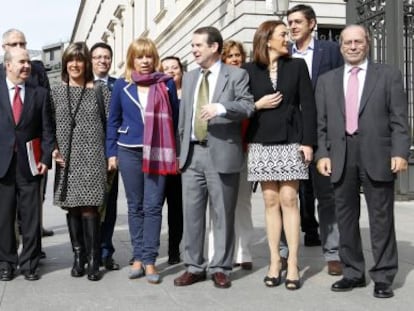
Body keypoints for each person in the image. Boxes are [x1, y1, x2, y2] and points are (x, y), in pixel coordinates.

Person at [315, 24, 410, 298]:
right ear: (341, 46)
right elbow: (320, 124)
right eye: (347, 42)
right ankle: (353, 272)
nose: (353, 46)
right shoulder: (327, 80)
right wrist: (322, 154)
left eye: (358, 41)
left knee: (381, 219)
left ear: (367, 43)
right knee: (345, 219)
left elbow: (399, 119)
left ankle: (383, 276)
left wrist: (401, 152)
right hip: (340, 157)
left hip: (378, 154)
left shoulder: (388, 75)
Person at [173, 26, 254, 289]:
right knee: (192, 214)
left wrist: (221, 107)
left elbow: (247, 106)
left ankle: (221, 266)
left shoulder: (237, 74)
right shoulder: (189, 77)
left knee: (222, 213)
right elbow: (184, 118)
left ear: (214, 47)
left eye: (198, 45)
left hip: (222, 152)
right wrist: (180, 152)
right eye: (193, 45)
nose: (193, 50)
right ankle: (194, 266)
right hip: (192, 154)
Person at [243, 20, 316, 290]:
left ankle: (293, 262)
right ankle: (275, 261)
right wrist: (256, 104)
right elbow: (239, 105)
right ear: (267, 39)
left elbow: (308, 105)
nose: (288, 38)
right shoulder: (248, 70)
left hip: (291, 140)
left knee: (289, 198)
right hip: (260, 141)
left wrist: (308, 142)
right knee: (270, 200)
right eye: (283, 34)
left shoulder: (297, 66)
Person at [107, 37, 179, 284]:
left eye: (149, 56)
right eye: (140, 56)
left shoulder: (166, 83)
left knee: (153, 206)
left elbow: (175, 120)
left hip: (158, 149)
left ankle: (149, 260)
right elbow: (113, 120)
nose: (145, 61)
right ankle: (137, 257)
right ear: (132, 59)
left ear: (154, 58)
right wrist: (111, 152)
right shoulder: (121, 85)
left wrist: (177, 153)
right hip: (129, 150)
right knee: (135, 206)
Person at [278, 4, 344, 276]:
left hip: (322, 132)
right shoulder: (282, 52)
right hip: (290, 133)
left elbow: (340, 88)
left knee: (326, 195)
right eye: (289, 22)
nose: (292, 27)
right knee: (285, 195)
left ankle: (333, 253)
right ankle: (282, 253)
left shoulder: (330, 51)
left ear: (312, 24)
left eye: (297, 22)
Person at [51, 42, 111, 281]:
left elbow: (111, 124)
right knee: (72, 207)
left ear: (86, 63)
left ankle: (94, 258)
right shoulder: (56, 91)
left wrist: (111, 154)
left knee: (90, 208)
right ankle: (79, 256)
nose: (75, 64)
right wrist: (53, 149)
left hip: (94, 157)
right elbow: (49, 125)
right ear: (65, 63)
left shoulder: (99, 90)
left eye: (79, 60)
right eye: (70, 60)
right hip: (67, 158)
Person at [0, 48, 54, 281]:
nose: (26, 66)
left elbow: (47, 130)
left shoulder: (39, 94)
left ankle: (30, 263)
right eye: (21, 62)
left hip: (30, 165)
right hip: (2, 166)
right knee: (3, 218)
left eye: (28, 63)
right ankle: (6, 262)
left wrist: (45, 158)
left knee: (31, 218)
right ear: (8, 65)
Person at [207, 40, 254, 270]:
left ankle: (243, 252)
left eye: (238, 55)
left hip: (244, 149)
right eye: (230, 56)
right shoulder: (218, 84)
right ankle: (216, 252)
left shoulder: (247, 80)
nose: (235, 59)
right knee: (219, 205)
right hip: (222, 148)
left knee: (243, 202)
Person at [90, 42, 120, 271]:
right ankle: (89, 251)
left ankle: (105, 252)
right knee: (89, 207)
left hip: (112, 157)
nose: (102, 60)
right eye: (98, 56)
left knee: (109, 206)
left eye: (106, 57)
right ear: (91, 60)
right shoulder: (83, 85)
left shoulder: (119, 85)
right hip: (87, 155)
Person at [160, 56, 184, 265]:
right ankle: (148, 248)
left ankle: (174, 248)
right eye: (165, 68)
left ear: (181, 70)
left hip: (182, 159)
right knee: (154, 205)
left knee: (177, 207)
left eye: (174, 67)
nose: (170, 71)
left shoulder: (190, 92)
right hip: (161, 159)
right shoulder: (159, 92)